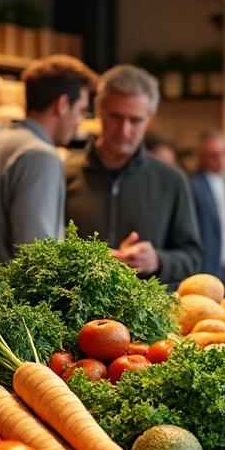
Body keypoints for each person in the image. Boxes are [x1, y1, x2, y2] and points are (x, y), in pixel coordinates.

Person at [0, 54, 95, 275]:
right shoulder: (40, 157)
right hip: (1, 307)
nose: (81, 121)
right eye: (81, 110)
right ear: (62, 105)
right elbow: (39, 262)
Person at [65, 65, 204, 287]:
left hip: (147, 317)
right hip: (75, 314)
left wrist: (157, 260)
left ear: (149, 118)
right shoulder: (64, 173)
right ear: (100, 108)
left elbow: (193, 257)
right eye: (116, 117)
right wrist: (91, 260)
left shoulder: (171, 180)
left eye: (135, 120)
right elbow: (45, 247)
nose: (124, 130)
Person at [189, 129, 225, 281]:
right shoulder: (193, 184)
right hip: (204, 263)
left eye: (224, 153)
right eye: (214, 155)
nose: (220, 159)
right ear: (203, 157)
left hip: (224, 261)